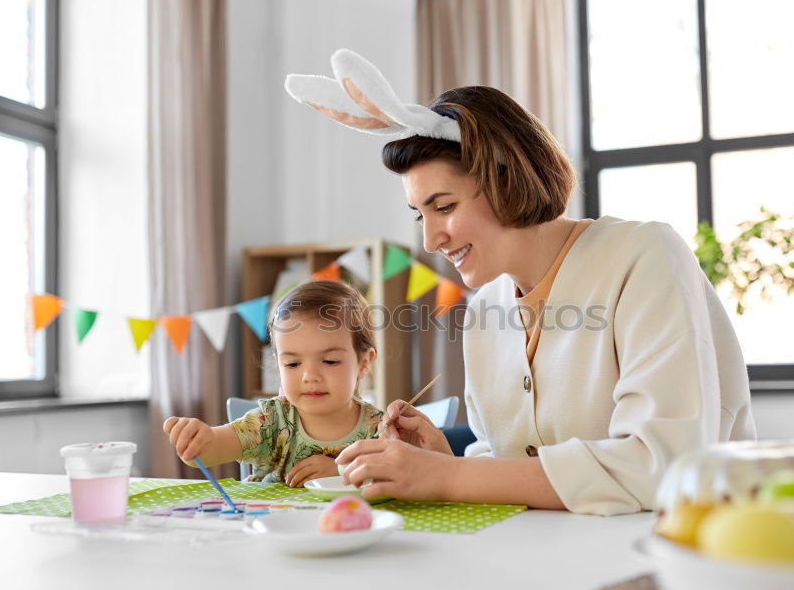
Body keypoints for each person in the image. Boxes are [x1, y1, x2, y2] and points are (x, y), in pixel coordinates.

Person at [286, 50, 757, 515]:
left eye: (444, 207)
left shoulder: (645, 257)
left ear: (505, 179)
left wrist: (446, 478)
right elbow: (507, 468)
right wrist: (439, 459)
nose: (430, 239)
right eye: (420, 215)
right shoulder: (485, 309)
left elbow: (663, 467)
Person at [163, 280, 384, 488]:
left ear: (364, 363)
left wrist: (341, 472)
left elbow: (395, 481)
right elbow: (212, 449)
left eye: (329, 361)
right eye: (292, 363)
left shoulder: (380, 430)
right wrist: (199, 439)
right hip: (269, 526)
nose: (309, 376)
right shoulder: (270, 421)